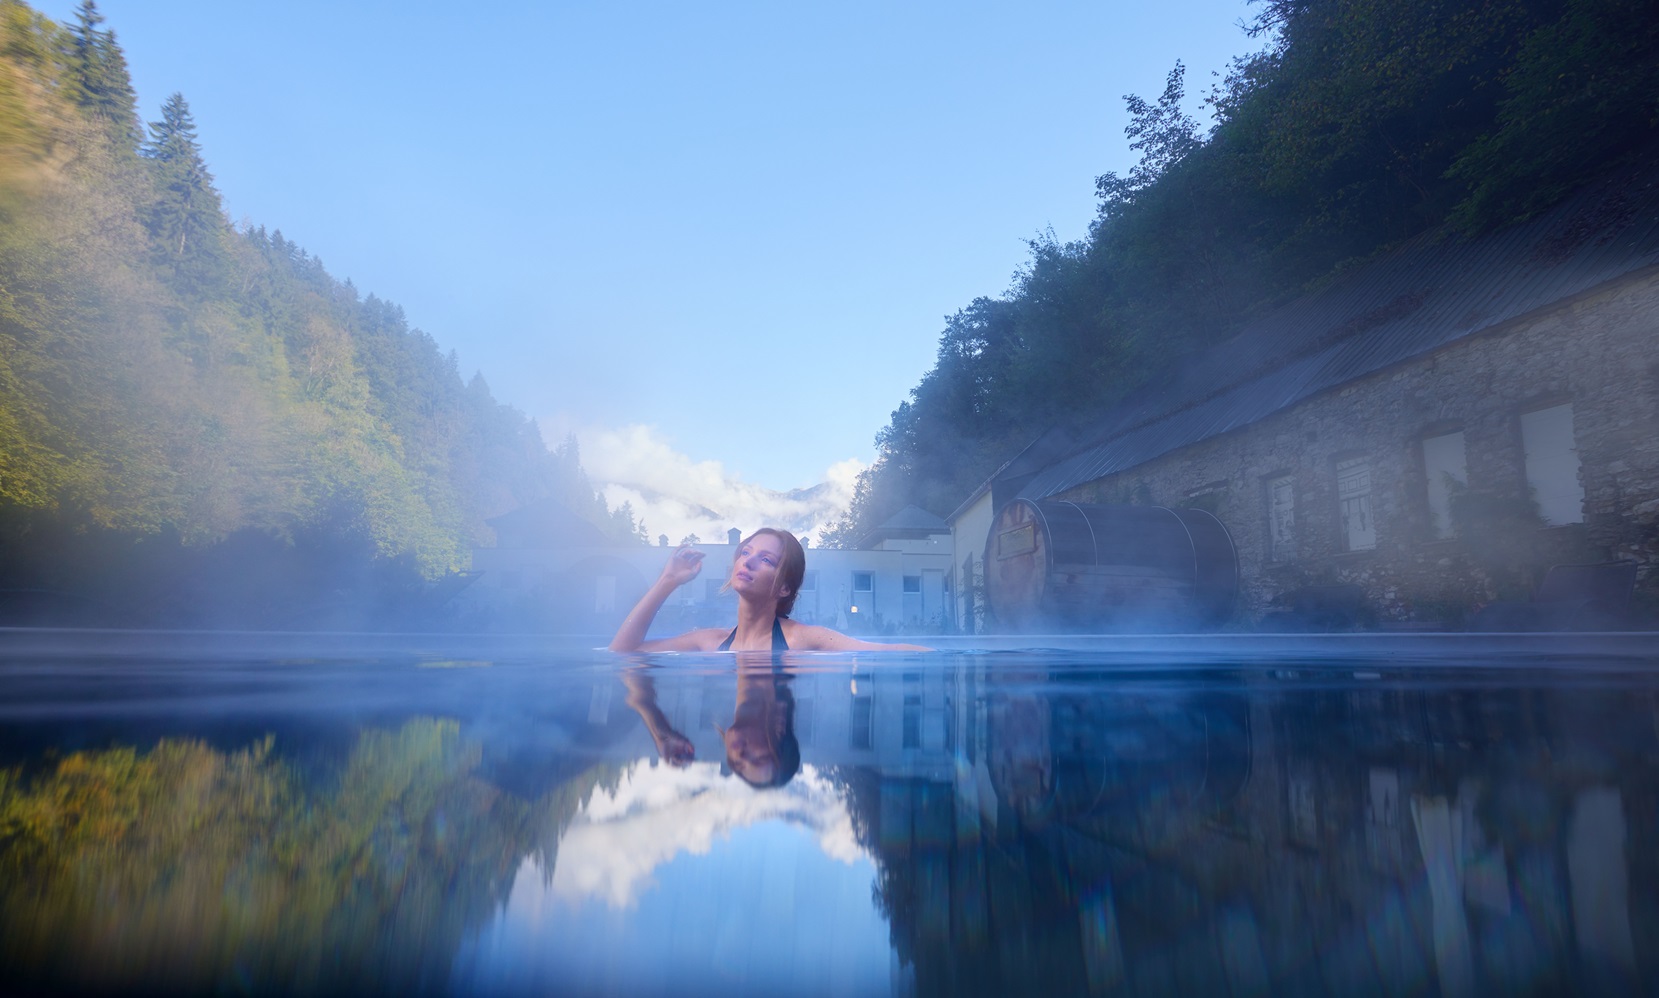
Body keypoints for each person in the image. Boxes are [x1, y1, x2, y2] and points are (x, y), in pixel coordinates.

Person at [608, 528, 929, 652]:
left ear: (785, 586)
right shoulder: (709, 641)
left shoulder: (803, 639)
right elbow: (622, 652)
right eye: (745, 552)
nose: (747, 562)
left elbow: (884, 653)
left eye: (765, 559)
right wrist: (667, 582)